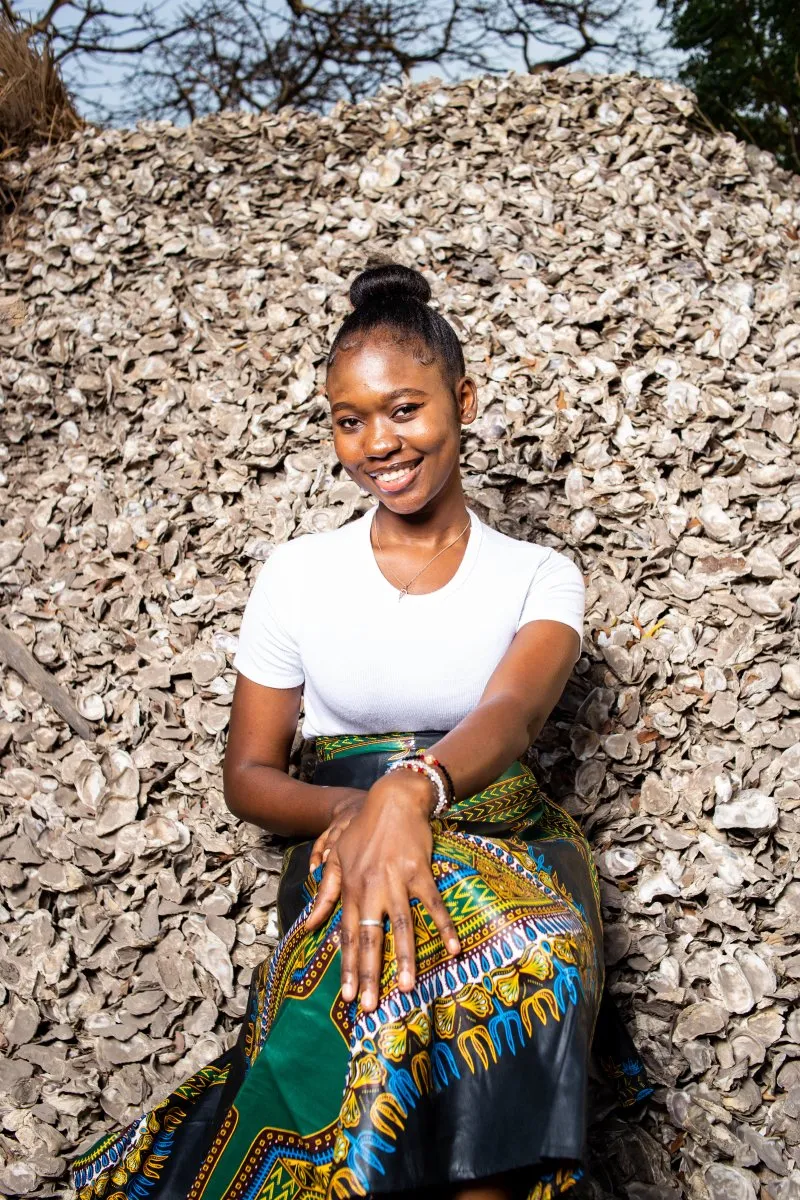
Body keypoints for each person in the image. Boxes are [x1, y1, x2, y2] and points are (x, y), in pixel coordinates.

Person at [71, 262, 651, 1200]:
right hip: (344, 835)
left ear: (462, 401)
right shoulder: (298, 574)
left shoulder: (540, 574)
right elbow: (250, 775)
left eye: (406, 409)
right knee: (370, 991)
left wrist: (413, 791)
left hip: (499, 829)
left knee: (530, 952)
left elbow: (512, 712)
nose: (379, 442)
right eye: (350, 420)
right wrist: (368, 811)